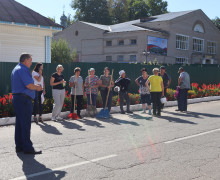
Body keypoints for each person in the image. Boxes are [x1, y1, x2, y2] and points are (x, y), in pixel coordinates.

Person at [11, 53, 42, 155]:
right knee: (25, 124)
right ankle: (28, 148)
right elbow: (29, 85)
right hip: (24, 100)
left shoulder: (16, 68)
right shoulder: (23, 69)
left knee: (20, 124)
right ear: (25, 60)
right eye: (30, 60)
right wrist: (37, 87)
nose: (31, 62)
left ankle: (19, 146)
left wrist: (34, 86)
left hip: (18, 98)